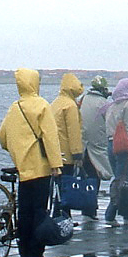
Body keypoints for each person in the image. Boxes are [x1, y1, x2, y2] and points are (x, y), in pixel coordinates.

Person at [0, 69, 63, 257]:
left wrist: (18, 152)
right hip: (41, 169)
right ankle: (36, 256)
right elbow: (50, 138)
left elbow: (2, 136)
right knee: (39, 213)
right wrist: (56, 165)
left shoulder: (14, 108)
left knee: (24, 214)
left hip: (23, 170)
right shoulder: (42, 105)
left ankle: (24, 256)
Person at [77, 76, 114, 218]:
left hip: (82, 146)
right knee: (95, 177)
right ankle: (91, 209)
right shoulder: (104, 104)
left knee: (83, 176)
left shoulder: (82, 99)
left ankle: (85, 208)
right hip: (97, 147)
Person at [102, 77, 128, 224]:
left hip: (111, 145)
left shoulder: (111, 106)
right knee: (123, 180)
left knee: (120, 178)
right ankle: (111, 215)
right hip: (123, 146)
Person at [50, 73, 85, 217]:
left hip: (55, 153)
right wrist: (77, 153)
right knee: (67, 187)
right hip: (67, 155)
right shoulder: (70, 106)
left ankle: (57, 214)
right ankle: (64, 216)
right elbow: (74, 131)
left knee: (57, 186)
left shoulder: (55, 103)